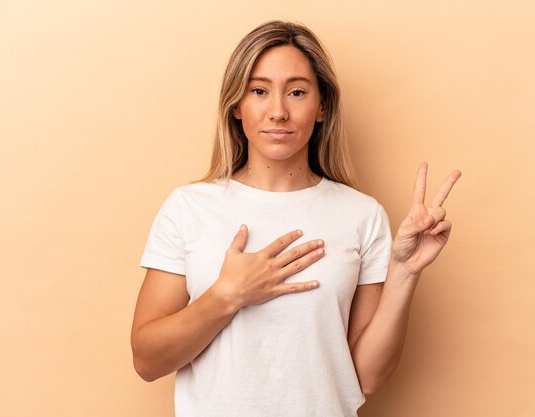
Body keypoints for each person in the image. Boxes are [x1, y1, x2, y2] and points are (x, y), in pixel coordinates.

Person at [131, 20, 461, 417]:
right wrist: (228, 295)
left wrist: (404, 272)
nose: (278, 112)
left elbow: (366, 378)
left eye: (297, 92)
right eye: (259, 91)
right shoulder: (189, 207)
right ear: (236, 106)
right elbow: (147, 361)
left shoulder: (361, 215)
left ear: (321, 107)